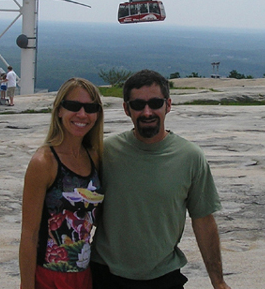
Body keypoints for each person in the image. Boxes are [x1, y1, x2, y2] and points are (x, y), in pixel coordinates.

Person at [91, 69, 231, 289]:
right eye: (138, 105)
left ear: (168, 105)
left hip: (164, 276)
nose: (147, 112)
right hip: (105, 274)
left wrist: (218, 281)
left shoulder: (190, 157)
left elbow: (203, 219)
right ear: (126, 109)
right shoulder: (106, 152)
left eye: (155, 103)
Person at [19, 78, 105, 289]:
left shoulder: (93, 157)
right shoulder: (44, 162)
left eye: (90, 108)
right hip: (49, 277)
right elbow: (29, 235)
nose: (82, 114)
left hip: (84, 276)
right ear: (59, 111)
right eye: (73, 106)